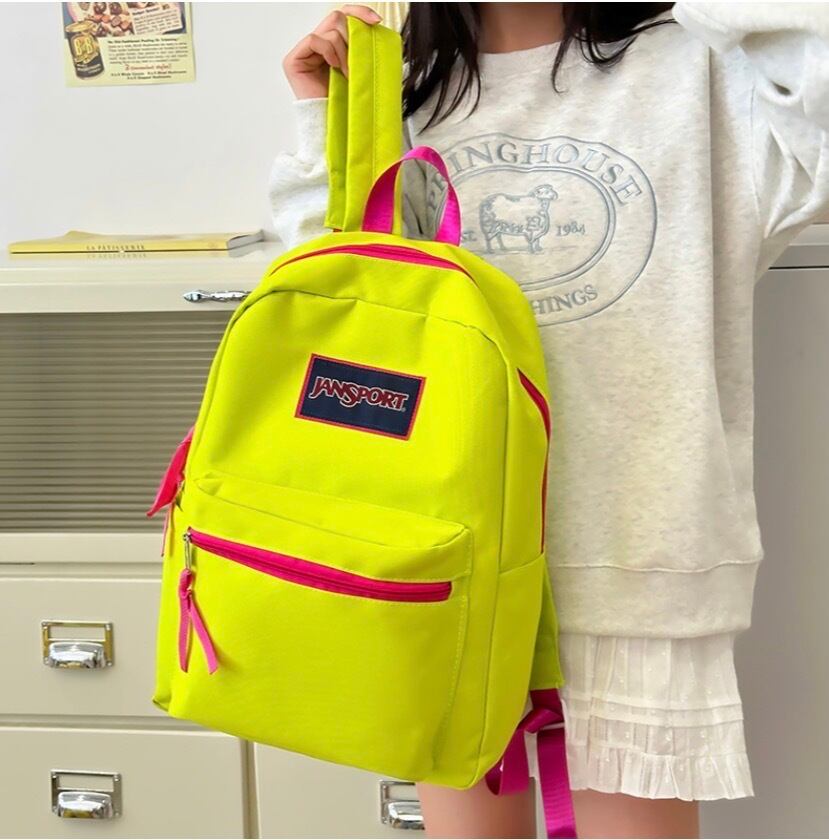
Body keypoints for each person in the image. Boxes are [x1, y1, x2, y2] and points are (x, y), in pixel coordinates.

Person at [271, 3, 829, 837]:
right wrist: (331, 117)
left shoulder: (705, 70)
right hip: (446, 556)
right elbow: (332, 299)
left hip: (635, 561)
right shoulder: (405, 88)